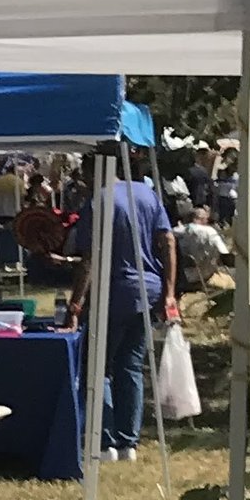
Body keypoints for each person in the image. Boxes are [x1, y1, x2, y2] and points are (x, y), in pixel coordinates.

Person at [65, 156, 176, 460]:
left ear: (95, 170)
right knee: (130, 365)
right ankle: (129, 442)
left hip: (113, 291)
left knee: (97, 367)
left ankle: (105, 441)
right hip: (148, 290)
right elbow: (168, 241)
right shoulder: (147, 194)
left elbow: (89, 259)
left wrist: (76, 305)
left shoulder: (97, 202)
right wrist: (169, 292)